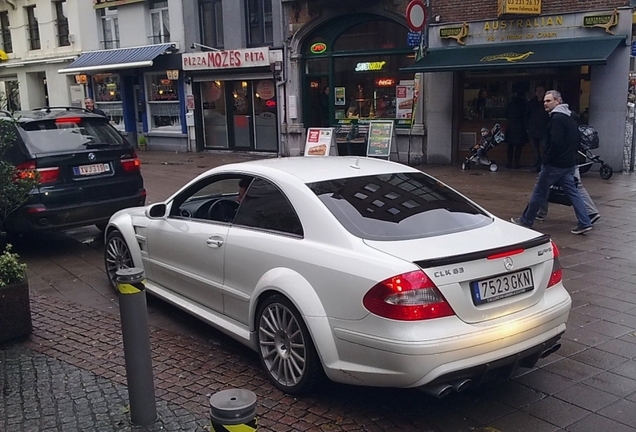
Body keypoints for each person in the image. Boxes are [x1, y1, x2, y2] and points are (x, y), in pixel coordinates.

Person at [511, 90, 592, 235]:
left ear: (558, 101)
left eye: (548, 101)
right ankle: (585, 222)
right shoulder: (570, 117)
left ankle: (526, 220)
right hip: (568, 164)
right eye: (544, 101)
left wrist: (546, 159)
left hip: (555, 164)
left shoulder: (557, 119)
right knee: (573, 193)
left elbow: (555, 143)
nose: (545, 104)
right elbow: (575, 140)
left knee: (539, 191)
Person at [535, 165, 601, 224]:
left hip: (556, 164)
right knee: (577, 187)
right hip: (571, 163)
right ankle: (591, 212)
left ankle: (540, 213)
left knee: (542, 186)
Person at [525, 85, 549, 172]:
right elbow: (526, 115)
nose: (539, 93)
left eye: (541, 90)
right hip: (533, 130)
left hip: (544, 130)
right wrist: (527, 127)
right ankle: (536, 166)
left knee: (544, 150)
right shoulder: (531, 102)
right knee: (535, 151)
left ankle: (544, 167)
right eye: (537, 91)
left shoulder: (547, 103)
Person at [505, 90, 528, 169]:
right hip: (520, 127)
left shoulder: (510, 104)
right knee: (518, 147)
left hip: (510, 127)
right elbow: (526, 115)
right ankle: (516, 163)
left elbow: (506, 114)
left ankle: (509, 163)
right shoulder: (524, 104)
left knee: (510, 147)